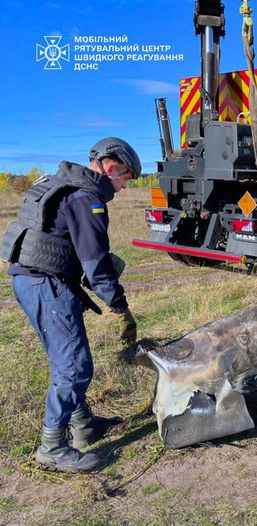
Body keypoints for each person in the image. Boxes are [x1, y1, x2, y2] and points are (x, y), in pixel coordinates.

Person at [0, 137, 141, 473]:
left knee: (64, 358)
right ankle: (52, 446)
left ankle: (83, 423)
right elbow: (95, 264)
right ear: (110, 168)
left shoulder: (64, 183)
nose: (123, 188)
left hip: (32, 280)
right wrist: (120, 307)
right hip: (46, 283)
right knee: (75, 367)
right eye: (125, 179)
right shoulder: (86, 198)